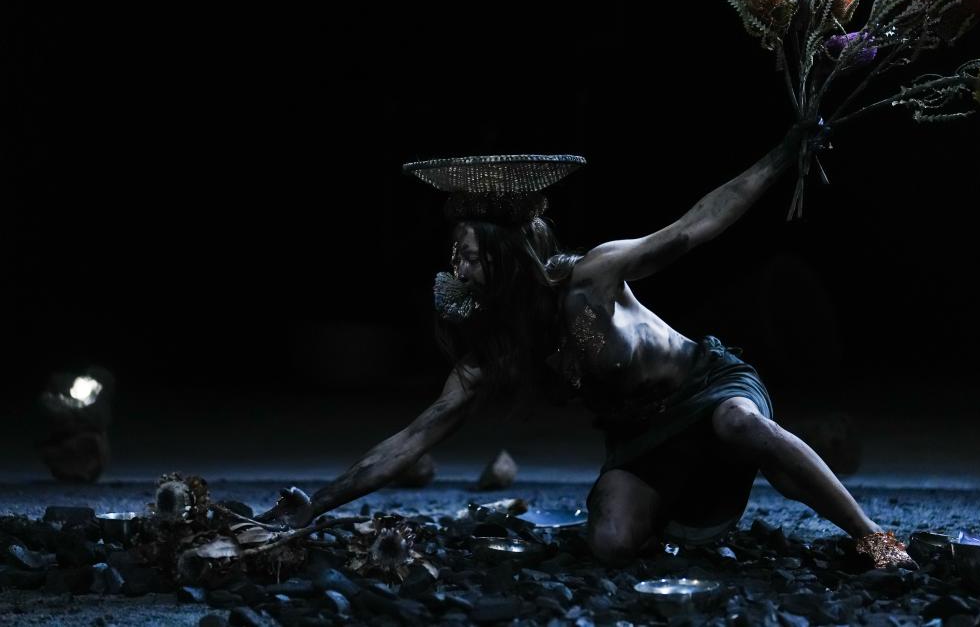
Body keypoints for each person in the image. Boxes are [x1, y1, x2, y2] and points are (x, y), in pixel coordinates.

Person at [263, 125, 916, 570]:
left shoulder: (590, 278)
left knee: (738, 424)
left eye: (469, 255)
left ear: (507, 258)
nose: (457, 268)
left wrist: (783, 153)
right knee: (609, 542)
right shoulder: (496, 349)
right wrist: (314, 504)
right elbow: (414, 438)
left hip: (708, 388)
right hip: (642, 439)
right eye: (455, 254)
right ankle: (678, 520)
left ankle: (873, 537)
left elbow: (697, 225)